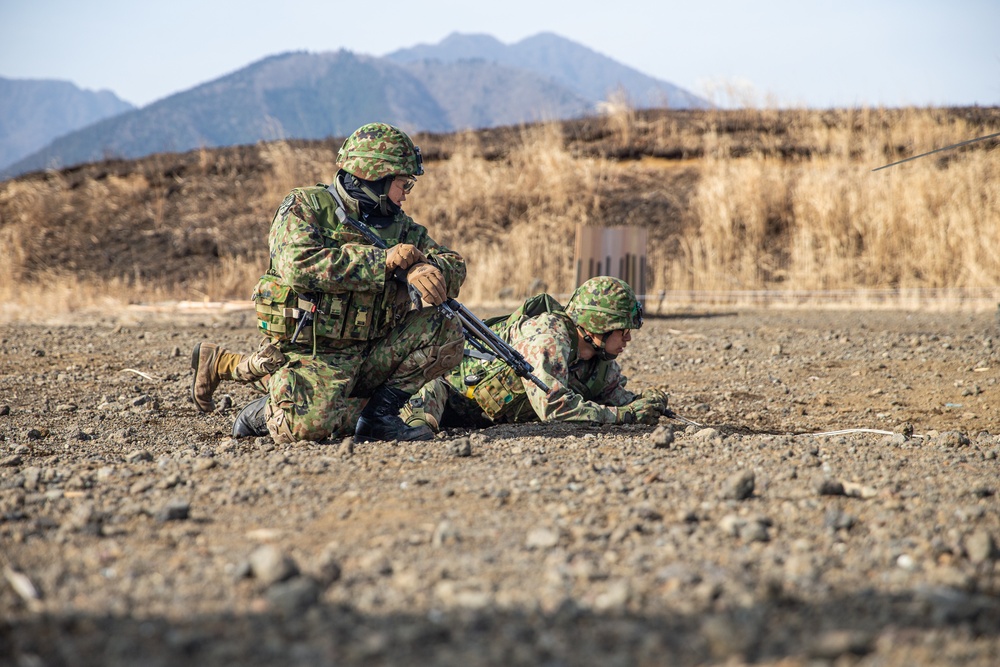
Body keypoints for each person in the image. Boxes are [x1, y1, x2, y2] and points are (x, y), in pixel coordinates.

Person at [209, 122, 466, 444]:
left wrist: (429, 268)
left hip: (373, 350)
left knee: (446, 327)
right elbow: (298, 266)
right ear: (375, 177)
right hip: (314, 351)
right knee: (309, 431)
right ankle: (265, 409)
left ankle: (379, 417)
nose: (406, 195)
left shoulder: (399, 226)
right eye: (403, 185)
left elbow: (453, 262)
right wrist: (383, 262)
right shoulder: (306, 207)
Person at [401, 276, 669, 432]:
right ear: (599, 325)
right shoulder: (548, 339)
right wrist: (626, 416)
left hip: (488, 419)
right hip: (446, 396)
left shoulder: (599, 360)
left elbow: (614, 399)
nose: (628, 338)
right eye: (622, 331)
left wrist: (644, 403)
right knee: (418, 429)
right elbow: (555, 409)